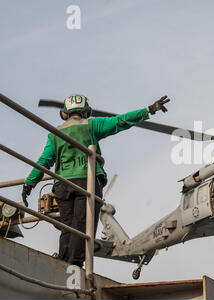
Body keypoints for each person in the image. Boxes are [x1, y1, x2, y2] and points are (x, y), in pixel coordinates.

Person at [21, 94, 170, 267]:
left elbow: (44, 161)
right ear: (85, 111)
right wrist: (148, 110)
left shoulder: (55, 134)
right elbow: (119, 122)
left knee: (67, 228)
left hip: (63, 186)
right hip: (87, 182)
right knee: (82, 228)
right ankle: (75, 267)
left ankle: (63, 263)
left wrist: (29, 183)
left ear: (65, 113)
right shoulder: (92, 125)